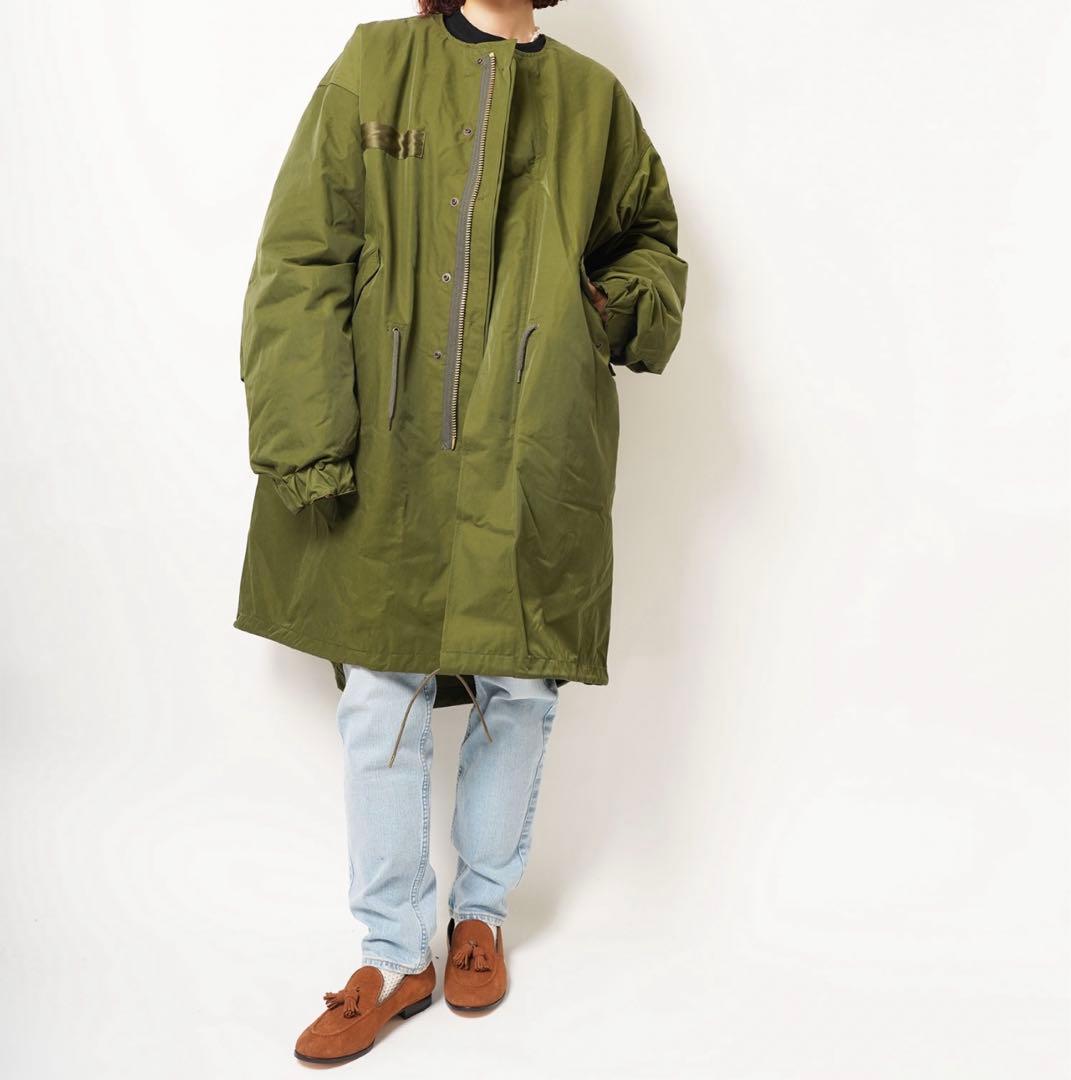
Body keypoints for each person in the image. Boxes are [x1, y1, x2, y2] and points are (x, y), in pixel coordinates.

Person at [235, 0, 687, 1064]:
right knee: (379, 699)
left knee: (519, 687)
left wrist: (602, 308)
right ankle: (394, 953)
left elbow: (652, 244)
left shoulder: (594, 101)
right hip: (390, 448)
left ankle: (478, 914)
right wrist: (307, 439)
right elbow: (301, 256)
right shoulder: (377, 63)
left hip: (531, 448)